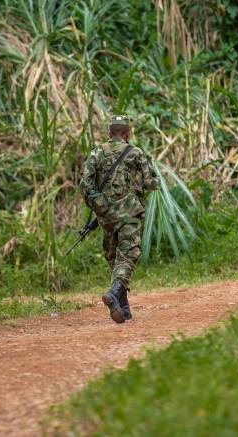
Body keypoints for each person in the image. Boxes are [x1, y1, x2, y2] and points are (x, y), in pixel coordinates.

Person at [80, 115, 160, 323]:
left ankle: (123, 309)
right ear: (127, 133)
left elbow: (85, 185)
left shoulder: (96, 153)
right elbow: (152, 182)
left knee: (114, 258)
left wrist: (100, 204)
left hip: (106, 216)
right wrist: (138, 185)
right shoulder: (135, 153)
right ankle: (114, 293)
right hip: (129, 214)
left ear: (109, 133)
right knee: (128, 256)